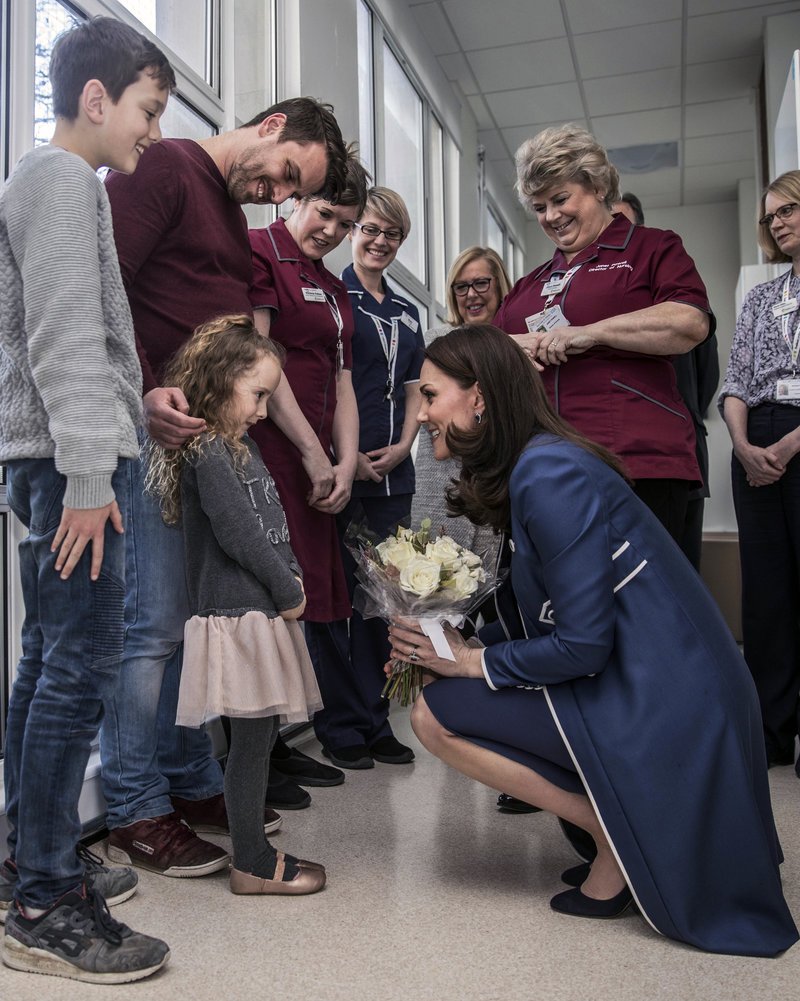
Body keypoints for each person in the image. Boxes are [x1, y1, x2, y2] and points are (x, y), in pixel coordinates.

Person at [388, 325, 798, 957]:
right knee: (447, 685)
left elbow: (582, 646)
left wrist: (472, 663)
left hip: (667, 699)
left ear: (480, 399)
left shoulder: (548, 474)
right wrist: (448, 640)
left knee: (433, 714)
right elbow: (552, 614)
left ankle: (617, 835)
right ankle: (621, 825)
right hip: (654, 680)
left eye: (431, 394)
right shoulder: (540, 462)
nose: (420, 413)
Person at [101, 98, 348, 876]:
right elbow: (103, 283)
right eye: (284, 176)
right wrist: (144, 388)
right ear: (272, 126)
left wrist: (298, 447)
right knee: (149, 629)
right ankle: (134, 805)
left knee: (184, 618)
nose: (279, 196)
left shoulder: (231, 221)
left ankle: (186, 778)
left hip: (196, 439)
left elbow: (236, 347)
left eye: (292, 192)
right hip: (148, 432)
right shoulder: (167, 167)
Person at [0, 17, 173, 982]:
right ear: (97, 98)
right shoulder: (62, 180)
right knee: (79, 672)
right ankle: (43, 900)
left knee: (47, 664)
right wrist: (87, 474)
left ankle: (32, 860)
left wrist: (123, 410)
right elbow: (64, 337)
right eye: (147, 110)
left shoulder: (52, 183)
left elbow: (72, 341)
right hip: (74, 471)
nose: (151, 131)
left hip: (61, 456)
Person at [146, 316, 325, 895]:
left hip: (260, 611)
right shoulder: (207, 452)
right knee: (251, 742)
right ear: (221, 381)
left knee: (258, 736)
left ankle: (254, 851)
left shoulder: (237, 446)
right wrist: (289, 589)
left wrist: (289, 577)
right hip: (240, 614)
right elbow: (239, 535)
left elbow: (268, 526)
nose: (264, 409)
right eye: (259, 395)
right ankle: (251, 860)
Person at [496, 124, 713, 543]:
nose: (551, 216)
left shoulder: (652, 249)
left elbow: (689, 323)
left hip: (636, 463)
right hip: (546, 468)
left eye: (560, 199)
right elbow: (474, 355)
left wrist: (592, 333)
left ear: (596, 186)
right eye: (539, 207)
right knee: (567, 603)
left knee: (642, 598)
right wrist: (508, 346)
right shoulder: (529, 287)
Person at [249, 155, 377, 773]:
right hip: (274, 452)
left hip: (322, 464)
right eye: (325, 213)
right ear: (296, 200)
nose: (331, 230)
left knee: (308, 601)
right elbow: (260, 365)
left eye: (345, 223)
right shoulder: (261, 251)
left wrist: (346, 462)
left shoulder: (331, 286)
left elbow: (344, 381)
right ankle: (258, 753)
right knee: (270, 597)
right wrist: (309, 452)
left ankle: (282, 737)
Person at [324, 186, 424, 768]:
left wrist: (406, 444)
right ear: (353, 231)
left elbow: (416, 389)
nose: (379, 242)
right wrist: (350, 454)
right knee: (339, 602)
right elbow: (327, 382)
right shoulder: (334, 298)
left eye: (391, 234)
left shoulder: (407, 311)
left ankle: (374, 719)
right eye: (369, 229)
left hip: (395, 479)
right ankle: (339, 723)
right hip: (346, 473)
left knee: (383, 605)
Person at [720, 169, 800, 773]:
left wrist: (789, 447)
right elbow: (737, 382)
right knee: (765, 596)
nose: (777, 222)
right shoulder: (760, 299)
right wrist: (746, 447)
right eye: (771, 215)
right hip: (757, 441)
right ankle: (772, 734)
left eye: (788, 210)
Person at [613, 192, 720, 569]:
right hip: (615, 459)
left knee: (678, 572)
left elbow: (706, 380)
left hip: (678, 459)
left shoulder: (678, 302)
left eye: (619, 223)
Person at [411, 246, 510, 553]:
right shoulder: (434, 343)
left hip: (497, 487)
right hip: (439, 484)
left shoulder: (517, 346)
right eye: (461, 286)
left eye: (481, 283)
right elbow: (419, 409)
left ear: (500, 285)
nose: (471, 295)